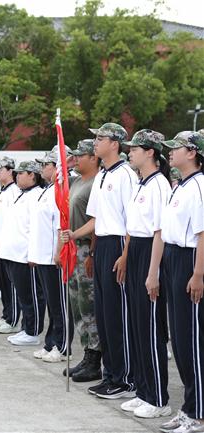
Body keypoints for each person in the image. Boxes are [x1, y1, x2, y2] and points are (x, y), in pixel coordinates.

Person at [62, 123, 137, 400]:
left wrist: (126, 255)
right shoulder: (104, 175)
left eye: (100, 138)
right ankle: (110, 375)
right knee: (103, 316)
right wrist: (74, 236)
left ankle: (125, 379)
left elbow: (131, 220)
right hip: (103, 242)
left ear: (115, 143)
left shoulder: (125, 175)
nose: (96, 142)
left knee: (117, 316)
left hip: (119, 244)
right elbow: (95, 220)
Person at [118, 130, 172, 419]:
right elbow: (133, 227)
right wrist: (126, 256)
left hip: (152, 252)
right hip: (137, 249)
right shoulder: (141, 183)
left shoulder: (159, 184)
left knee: (151, 329)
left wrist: (153, 273)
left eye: (135, 148)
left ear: (150, 152)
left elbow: (159, 231)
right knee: (137, 325)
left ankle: (159, 397)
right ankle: (143, 391)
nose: (130, 152)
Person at [157, 131, 204, 433]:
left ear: (193, 152)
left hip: (190, 260)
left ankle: (198, 411)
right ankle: (189, 405)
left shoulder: (199, 185)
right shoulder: (180, 186)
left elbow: (203, 234)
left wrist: (198, 273)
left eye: (177, 148)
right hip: (174, 257)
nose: (171, 153)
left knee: (192, 340)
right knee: (180, 338)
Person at [63, 139, 103, 383]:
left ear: (93, 158)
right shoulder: (78, 181)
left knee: (89, 306)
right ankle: (87, 352)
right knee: (77, 305)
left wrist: (92, 252)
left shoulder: (97, 183)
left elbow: (98, 220)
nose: (76, 159)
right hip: (73, 248)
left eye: (81, 155)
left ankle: (95, 358)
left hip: (87, 247)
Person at [30, 150, 74, 362]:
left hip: (52, 255)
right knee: (51, 303)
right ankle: (51, 342)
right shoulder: (47, 189)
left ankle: (63, 346)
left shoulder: (60, 189)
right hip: (42, 256)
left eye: (45, 164)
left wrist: (58, 252)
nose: (41, 168)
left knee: (59, 304)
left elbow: (60, 224)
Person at [0, 161, 47, 346]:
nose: (17, 176)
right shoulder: (21, 195)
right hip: (12, 253)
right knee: (21, 294)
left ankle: (33, 331)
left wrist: (32, 253)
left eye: (21, 173)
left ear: (32, 175)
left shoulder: (37, 195)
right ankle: (26, 327)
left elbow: (35, 228)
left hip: (24, 254)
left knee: (31, 294)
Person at [0, 156, 21, 333]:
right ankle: (7, 315)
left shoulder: (15, 192)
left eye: (1, 169)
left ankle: (13, 319)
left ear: (10, 171)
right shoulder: (2, 191)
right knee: (4, 284)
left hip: (8, 246)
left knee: (11, 284)